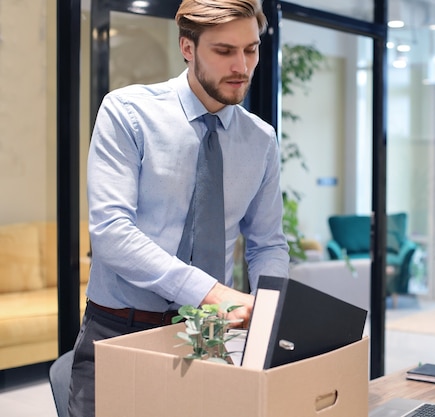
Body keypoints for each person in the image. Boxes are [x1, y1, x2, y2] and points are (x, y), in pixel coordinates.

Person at [68, 1, 290, 415]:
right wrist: (210, 292)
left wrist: (269, 315)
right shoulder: (128, 113)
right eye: (224, 51)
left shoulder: (260, 140)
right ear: (188, 48)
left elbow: (268, 243)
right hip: (120, 328)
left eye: (251, 49)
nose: (242, 65)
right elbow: (112, 234)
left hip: (207, 334)